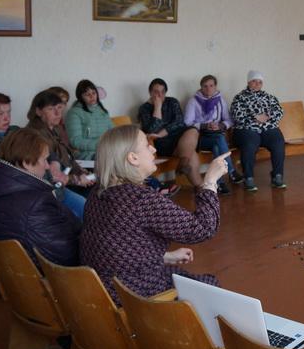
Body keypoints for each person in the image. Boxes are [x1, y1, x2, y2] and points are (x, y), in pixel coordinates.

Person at [79, 124, 227, 305]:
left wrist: (166, 256)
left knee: (188, 278)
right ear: (133, 158)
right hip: (136, 296)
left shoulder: (98, 193)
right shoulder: (140, 199)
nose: (153, 149)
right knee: (211, 288)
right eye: (146, 145)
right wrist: (210, 181)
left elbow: (119, 244)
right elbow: (203, 228)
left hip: (107, 289)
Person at [0, 128, 81, 266]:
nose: (47, 166)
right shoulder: (35, 204)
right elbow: (66, 256)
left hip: (12, 269)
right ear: (26, 162)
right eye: (44, 159)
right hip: (45, 275)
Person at [26, 90, 92, 211]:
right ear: (38, 111)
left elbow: (68, 157)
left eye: (59, 108)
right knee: (89, 203)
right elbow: (49, 175)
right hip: (54, 187)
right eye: (51, 109)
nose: (58, 113)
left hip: (69, 179)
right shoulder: (34, 135)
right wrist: (76, 179)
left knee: (102, 190)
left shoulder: (56, 128)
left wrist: (81, 172)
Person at [138, 78, 204, 188]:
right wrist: (157, 107)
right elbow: (152, 130)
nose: (159, 95)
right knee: (191, 154)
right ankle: (200, 187)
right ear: (150, 92)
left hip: (181, 138)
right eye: (156, 91)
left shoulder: (172, 102)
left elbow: (179, 122)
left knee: (193, 130)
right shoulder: (144, 108)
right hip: (163, 143)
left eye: (162, 92)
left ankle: (183, 163)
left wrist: (161, 133)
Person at [184, 74, 242, 194]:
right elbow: (187, 123)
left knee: (216, 146)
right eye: (205, 86)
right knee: (219, 139)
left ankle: (219, 183)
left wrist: (220, 125)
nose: (208, 89)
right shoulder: (193, 101)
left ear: (215, 86)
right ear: (201, 87)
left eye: (211, 85)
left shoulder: (220, 100)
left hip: (216, 134)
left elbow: (229, 120)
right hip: (200, 137)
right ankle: (231, 171)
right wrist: (205, 125)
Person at [230, 70, 286, 192]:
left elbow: (279, 111)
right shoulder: (240, 97)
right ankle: (248, 177)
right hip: (246, 129)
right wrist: (255, 117)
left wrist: (267, 117)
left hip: (267, 127)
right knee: (250, 143)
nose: (257, 84)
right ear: (248, 82)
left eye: (260, 82)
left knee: (278, 141)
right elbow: (237, 115)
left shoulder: (269, 97)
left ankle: (277, 175)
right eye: (254, 81)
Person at [66, 79, 113, 160]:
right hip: (87, 154)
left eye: (94, 93)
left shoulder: (102, 111)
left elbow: (113, 131)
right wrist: (101, 144)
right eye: (87, 94)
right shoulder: (74, 113)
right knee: (113, 159)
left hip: (107, 149)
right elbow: (75, 141)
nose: (92, 96)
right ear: (80, 97)